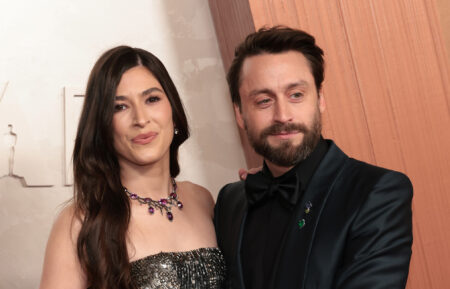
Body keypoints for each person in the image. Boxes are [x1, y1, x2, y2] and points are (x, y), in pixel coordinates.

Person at [214, 26, 413, 289]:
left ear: (319, 99)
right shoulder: (231, 201)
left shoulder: (376, 192)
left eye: (296, 95)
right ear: (239, 114)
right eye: (264, 101)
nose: (283, 115)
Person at [39, 46, 225, 289]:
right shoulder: (81, 223)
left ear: (173, 110)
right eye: (120, 107)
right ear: (103, 125)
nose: (141, 119)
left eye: (152, 99)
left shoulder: (203, 199)